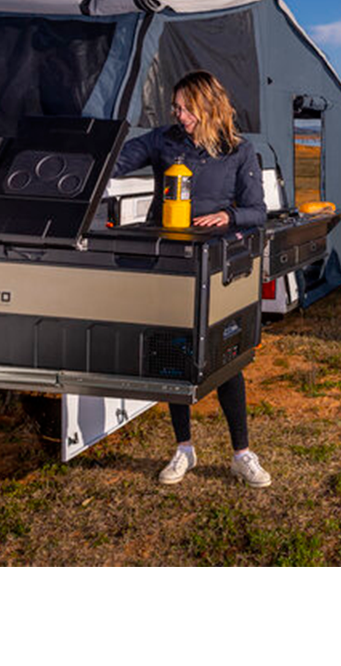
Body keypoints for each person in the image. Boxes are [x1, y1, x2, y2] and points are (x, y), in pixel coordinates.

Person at [114, 70, 271, 488]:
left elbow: (259, 212)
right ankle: (183, 448)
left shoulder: (239, 150)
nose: (177, 114)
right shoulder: (164, 141)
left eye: (185, 107)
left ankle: (242, 454)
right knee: (171, 355)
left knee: (227, 358)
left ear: (207, 106)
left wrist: (228, 215)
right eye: (176, 107)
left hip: (215, 265)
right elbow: (117, 159)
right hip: (170, 260)